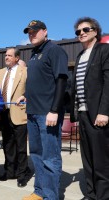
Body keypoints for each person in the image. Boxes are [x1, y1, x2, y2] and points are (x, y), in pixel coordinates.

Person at [19, 20, 68, 200]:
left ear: (45, 32)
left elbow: (61, 80)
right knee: (37, 155)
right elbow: (39, 82)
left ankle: (50, 196)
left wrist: (54, 110)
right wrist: (26, 95)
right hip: (32, 112)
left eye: (35, 31)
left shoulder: (54, 51)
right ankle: (39, 192)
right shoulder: (33, 54)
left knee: (50, 157)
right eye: (29, 32)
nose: (31, 34)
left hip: (47, 114)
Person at [70, 17, 109, 200]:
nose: (81, 33)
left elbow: (108, 83)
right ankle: (91, 194)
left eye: (85, 29)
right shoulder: (79, 56)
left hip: (98, 115)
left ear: (95, 31)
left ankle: (103, 196)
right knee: (87, 158)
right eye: (78, 31)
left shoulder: (104, 50)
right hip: (83, 114)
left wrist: (104, 111)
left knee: (101, 159)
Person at [0, 48, 31, 188]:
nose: (6, 57)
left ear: (17, 58)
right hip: (3, 113)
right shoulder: (0, 73)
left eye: (9, 55)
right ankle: (9, 172)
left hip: (19, 113)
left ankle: (22, 175)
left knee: (21, 147)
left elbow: (31, 89)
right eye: (5, 55)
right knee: (7, 145)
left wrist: (26, 96)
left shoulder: (24, 71)